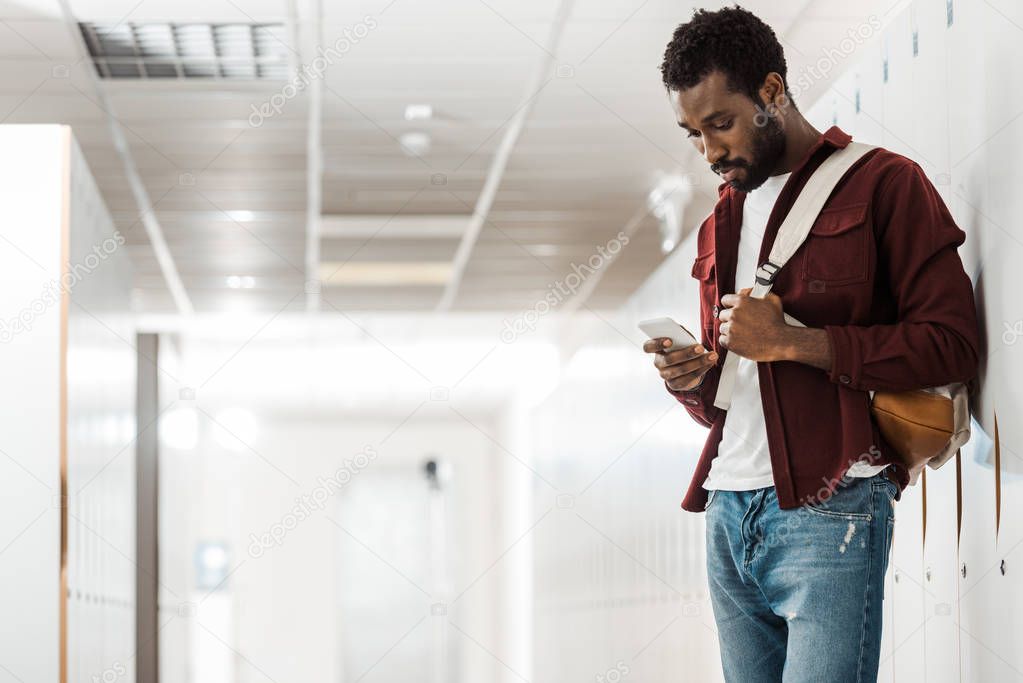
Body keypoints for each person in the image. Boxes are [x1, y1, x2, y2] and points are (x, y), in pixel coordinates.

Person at [642, 6, 980, 682]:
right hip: (726, 509)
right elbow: (728, 402)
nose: (709, 152)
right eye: (692, 134)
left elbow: (951, 345)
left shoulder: (884, 184)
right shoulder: (721, 221)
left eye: (720, 123)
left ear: (771, 93)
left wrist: (801, 343)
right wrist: (693, 381)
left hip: (831, 509)